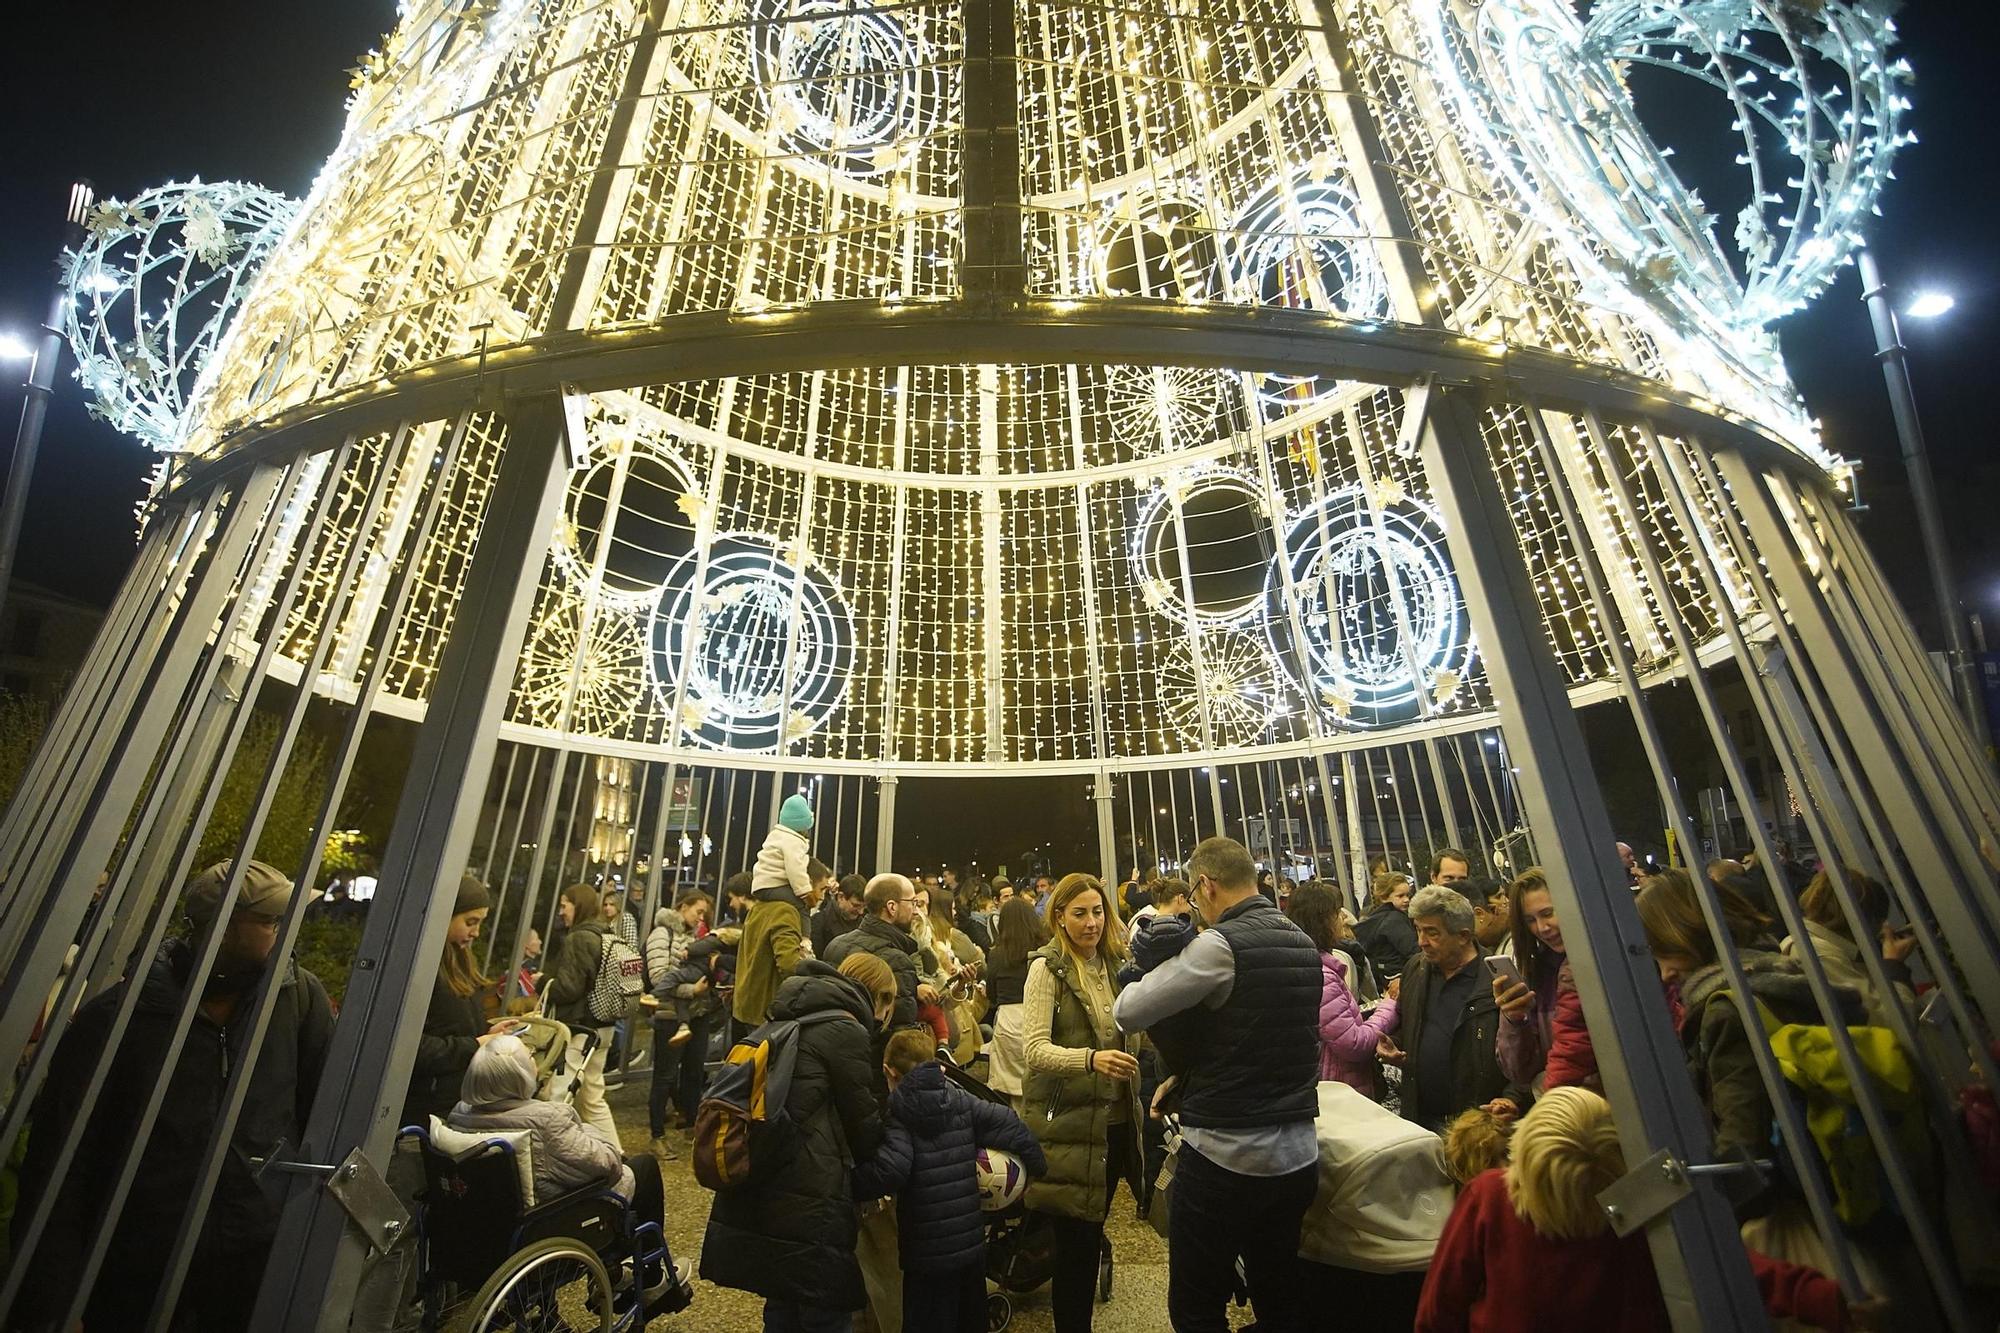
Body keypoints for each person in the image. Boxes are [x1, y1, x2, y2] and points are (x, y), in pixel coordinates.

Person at [13, 860, 333, 1331]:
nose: (288, 934)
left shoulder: (297, 998)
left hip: (255, 1256)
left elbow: (320, 1112)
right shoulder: (119, 1020)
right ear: (221, 929)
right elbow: (62, 1160)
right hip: (140, 1263)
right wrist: (54, 1299)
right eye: (271, 921)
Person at [1415, 1088, 1867, 1332]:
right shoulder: (1632, 1200)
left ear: (1527, 1150)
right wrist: (1826, 1299)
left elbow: (1440, 1308)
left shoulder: (1491, 1196)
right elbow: (1726, 1265)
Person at [1115, 837, 1323, 1333]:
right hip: (1298, 1154)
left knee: (1197, 1306)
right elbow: (1254, 1039)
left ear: (1204, 885)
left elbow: (1129, 1010)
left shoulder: (1220, 945)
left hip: (1227, 1157)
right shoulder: (1300, 940)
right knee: (1278, 1297)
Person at [700, 960, 885, 1332]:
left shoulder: (781, 1023)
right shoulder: (845, 1031)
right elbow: (864, 1128)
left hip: (767, 1184)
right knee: (825, 1310)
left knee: (782, 1300)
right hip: (814, 1192)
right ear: (873, 999)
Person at [449, 1036, 693, 1312]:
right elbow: (607, 1165)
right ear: (517, 1076)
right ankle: (648, 1276)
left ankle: (617, 1273)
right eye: (529, 1056)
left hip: (485, 1228)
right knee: (643, 1167)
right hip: (549, 1222)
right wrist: (587, 1130)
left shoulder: (460, 1114)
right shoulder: (547, 1119)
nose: (535, 1059)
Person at [854, 1030, 1049, 1333]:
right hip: (970, 1245)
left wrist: (849, 1184)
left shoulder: (900, 1112)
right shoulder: (960, 1099)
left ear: (888, 1073)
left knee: (928, 1321)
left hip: (925, 1254)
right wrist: (1036, 1169)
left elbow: (893, 1169)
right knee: (970, 1317)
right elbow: (1010, 1123)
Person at [1021, 873, 1144, 1333]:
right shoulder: (1046, 970)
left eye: (1098, 911)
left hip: (1112, 1122)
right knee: (1076, 1246)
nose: (1091, 922)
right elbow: (1034, 1050)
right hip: (1066, 1127)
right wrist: (1090, 1060)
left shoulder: (1116, 964)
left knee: (1091, 1235)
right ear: (1058, 917)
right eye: (1079, 913)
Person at [1381, 886, 1526, 1132]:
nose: (1421, 942)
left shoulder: (1498, 981)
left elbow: (1525, 1049)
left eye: (1432, 933)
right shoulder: (1416, 969)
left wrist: (1512, 1097)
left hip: (1478, 1126)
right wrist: (1394, 1045)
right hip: (1420, 1120)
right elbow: (1412, 1026)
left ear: (1463, 935)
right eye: (1418, 930)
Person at [1289, 879, 1400, 1098]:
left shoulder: (1303, 964)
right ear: (1322, 920)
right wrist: (1390, 1004)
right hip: (1341, 1088)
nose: (1342, 918)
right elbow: (1353, 1044)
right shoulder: (1322, 976)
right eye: (1337, 913)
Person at [1780, 867, 1917, 1028]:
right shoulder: (1819, 955)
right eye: (1879, 922)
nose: (1883, 928)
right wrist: (1894, 965)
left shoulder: (1822, 946)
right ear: (1863, 920)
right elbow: (1891, 1021)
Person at [539, 882, 621, 1141]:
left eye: (565, 906)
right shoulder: (607, 934)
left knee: (559, 1096)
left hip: (580, 1029)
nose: (561, 912)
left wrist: (543, 981)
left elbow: (569, 989)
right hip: (604, 1026)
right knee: (593, 1098)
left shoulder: (578, 938)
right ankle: (616, 1157)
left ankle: (552, 1153)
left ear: (578, 906)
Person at [1492, 868, 1583, 1096]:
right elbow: (1518, 1072)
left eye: (1548, 913)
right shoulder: (1537, 973)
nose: (1542, 928)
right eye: (1531, 920)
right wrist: (1513, 1020)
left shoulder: (1604, 962)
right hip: (1565, 1103)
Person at [736, 795, 822, 1027]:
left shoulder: (759, 908)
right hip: (768, 1010)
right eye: (821, 888)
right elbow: (788, 963)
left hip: (748, 1003)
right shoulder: (785, 910)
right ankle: (807, 942)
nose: (822, 895)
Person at [644, 888, 716, 1151]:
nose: (700, 918)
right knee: (665, 1075)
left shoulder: (692, 936)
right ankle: (657, 1135)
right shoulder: (661, 934)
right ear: (682, 907)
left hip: (697, 1013)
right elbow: (659, 977)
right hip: (669, 1014)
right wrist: (691, 990)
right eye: (698, 912)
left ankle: (692, 1128)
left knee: (694, 1071)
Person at [825, 873, 936, 1029]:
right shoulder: (897, 961)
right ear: (892, 907)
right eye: (913, 902)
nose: (917, 911)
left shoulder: (836, 945)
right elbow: (899, 1032)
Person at [985, 896, 1050, 1105]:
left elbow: (991, 994)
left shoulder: (997, 954)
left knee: (1013, 1094)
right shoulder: (1045, 951)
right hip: (1041, 1016)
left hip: (1008, 1022)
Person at [1353, 870, 1417, 988]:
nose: (1406, 899)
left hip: (1382, 976)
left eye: (1408, 895)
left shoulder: (1374, 919)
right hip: (1399, 975)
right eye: (1400, 896)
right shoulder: (1395, 919)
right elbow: (1412, 950)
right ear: (1383, 897)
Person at [812, 872, 868, 958]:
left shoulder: (866, 923)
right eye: (856, 905)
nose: (860, 912)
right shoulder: (819, 922)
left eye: (864, 906)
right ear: (841, 897)